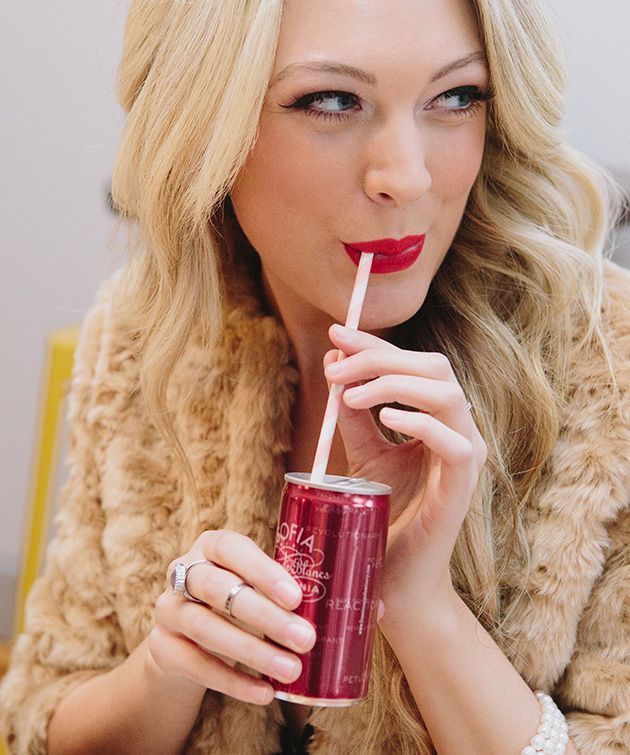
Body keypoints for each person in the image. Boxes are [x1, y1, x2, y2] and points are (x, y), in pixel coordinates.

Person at [1, 0, 629, 752]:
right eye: (331, 101)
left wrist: (420, 606)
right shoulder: (144, 340)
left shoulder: (608, 368)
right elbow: (43, 711)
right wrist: (168, 664)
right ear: (206, 125)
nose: (407, 175)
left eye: (456, 97)